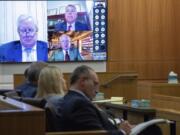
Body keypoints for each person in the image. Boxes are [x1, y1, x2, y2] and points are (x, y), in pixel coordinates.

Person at [58, 65, 162, 135]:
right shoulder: (79, 104)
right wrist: (122, 131)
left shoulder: (70, 99)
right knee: (153, 130)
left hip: (113, 129)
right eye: (95, 84)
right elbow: (97, 134)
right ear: (83, 82)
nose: (97, 90)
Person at [35, 65, 66, 132]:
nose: (64, 80)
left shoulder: (36, 101)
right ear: (57, 82)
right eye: (62, 77)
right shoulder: (61, 101)